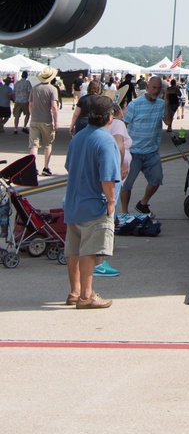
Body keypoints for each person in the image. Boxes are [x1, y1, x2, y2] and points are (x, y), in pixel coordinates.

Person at [64, 93, 120, 309]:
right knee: (89, 250)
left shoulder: (78, 137)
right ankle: (87, 295)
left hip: (73, 201)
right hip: (93, 203)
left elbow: (70, 166)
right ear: (109, 117)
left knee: (74, 249)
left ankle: (74, 291)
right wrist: (111, 201)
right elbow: (107, 177)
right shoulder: (106, 140)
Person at [120, 75, 165, 215]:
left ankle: (143, 203)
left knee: (156, 179)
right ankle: (124, 212)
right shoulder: (135, 105)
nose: (156, 91)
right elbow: (123, 125)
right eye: (153, 87)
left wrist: (168, 101)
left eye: (158, 88)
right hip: (133, 152)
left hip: (151, 152)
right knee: (126, 184)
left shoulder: (161, 104)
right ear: (147, 88)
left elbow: (168, 121)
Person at [28, 66, 60, 176]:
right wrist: (56, 121)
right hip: (46, 120)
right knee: (47, 144)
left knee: (34, 145)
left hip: (35, 120)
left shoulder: (34, 88)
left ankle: (32, 168)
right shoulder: (52, 89)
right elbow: (54, 107)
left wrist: (33, 115)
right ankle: (46, 167)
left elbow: (30, 105)